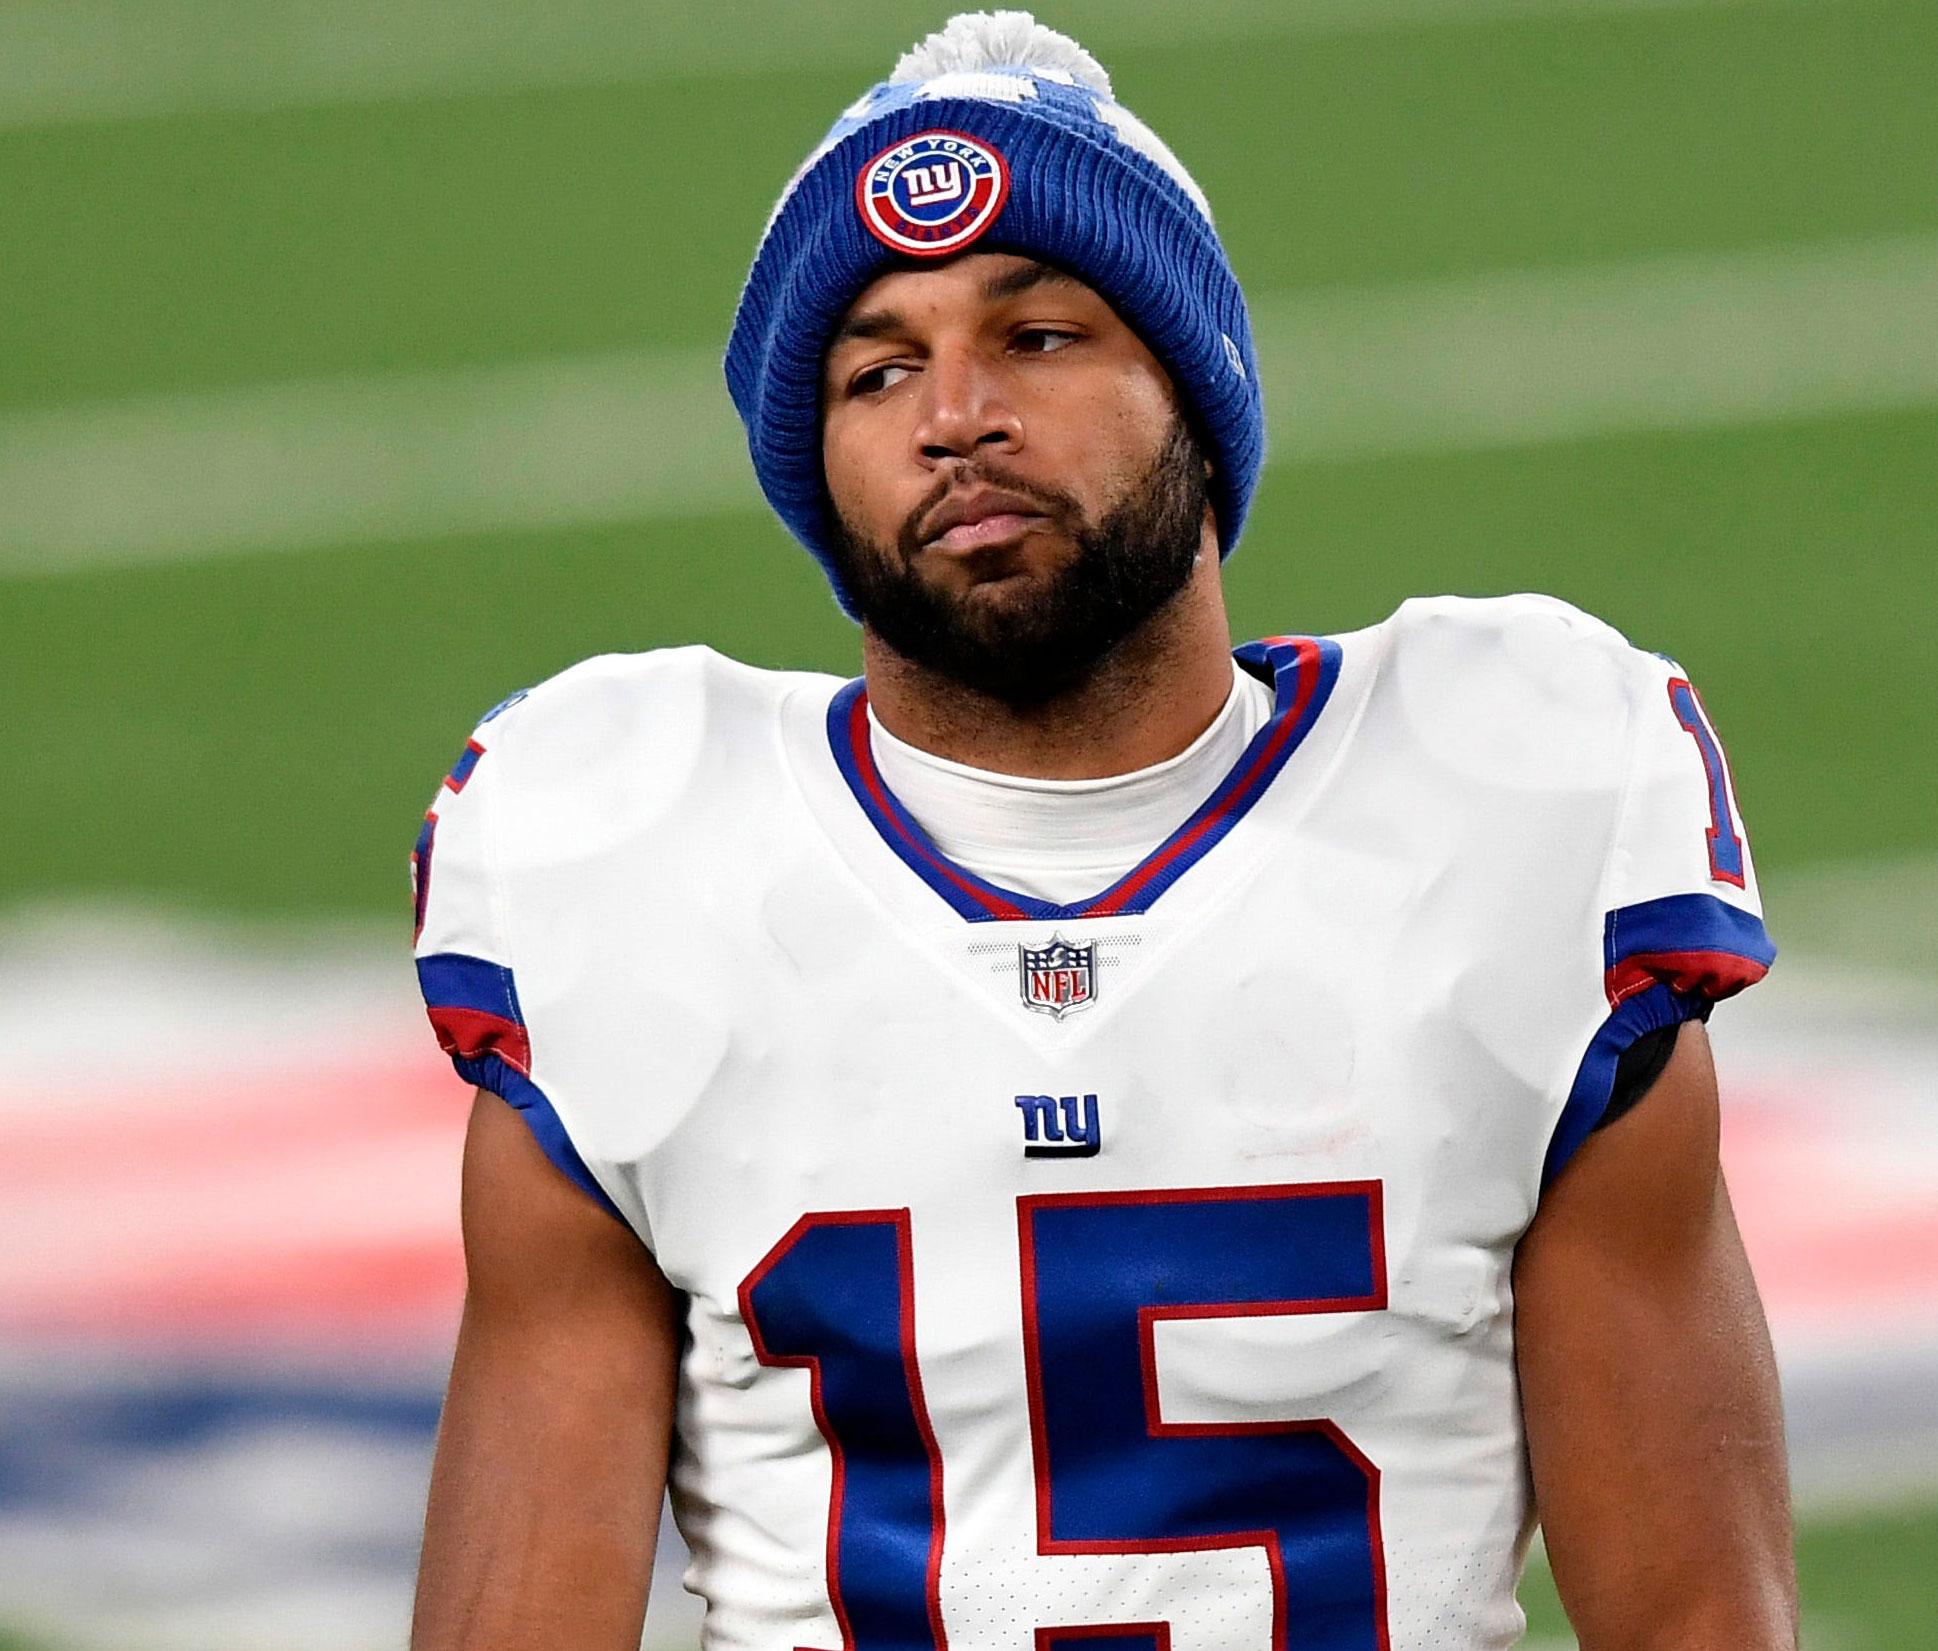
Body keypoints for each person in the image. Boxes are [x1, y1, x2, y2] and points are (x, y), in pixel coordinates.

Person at [405, 12, 1794, 1649]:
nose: (957, 416)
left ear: (1195, 393)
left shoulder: (1509, 817)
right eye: (878, 368)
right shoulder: (627, 859)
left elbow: (1695, 1617)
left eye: (1041, 335)